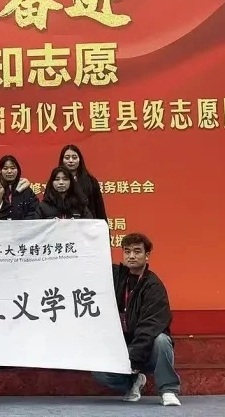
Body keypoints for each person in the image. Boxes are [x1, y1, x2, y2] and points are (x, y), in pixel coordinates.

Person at [91, 233, 181, 407]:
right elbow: (90, 265)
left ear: (147, 255)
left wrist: (132, 359)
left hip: (147, 349)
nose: (131, 256)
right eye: (127, 251)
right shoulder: (115, 277)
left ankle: (168, 390)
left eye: (137, 251)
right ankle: (132, 383)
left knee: (162, 340)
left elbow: (151, 326)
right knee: (97, 369)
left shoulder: (153, 286)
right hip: (122, 348)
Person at [58, 144, 107, 220]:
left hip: (88, 224)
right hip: (63, 224)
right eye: (67, 158)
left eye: (74, 157)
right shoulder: (55, 181)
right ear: (62, 160)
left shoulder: (91, 181)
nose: (71, 161)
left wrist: (103, 226)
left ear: (80, 159)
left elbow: (100, 209)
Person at [0, 155, 37, 220]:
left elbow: (34, 212)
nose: (9, 171)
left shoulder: (27, 190)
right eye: (5, 168)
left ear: (18, 170)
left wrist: (21, 224)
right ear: (0, 171)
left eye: (13, 168)